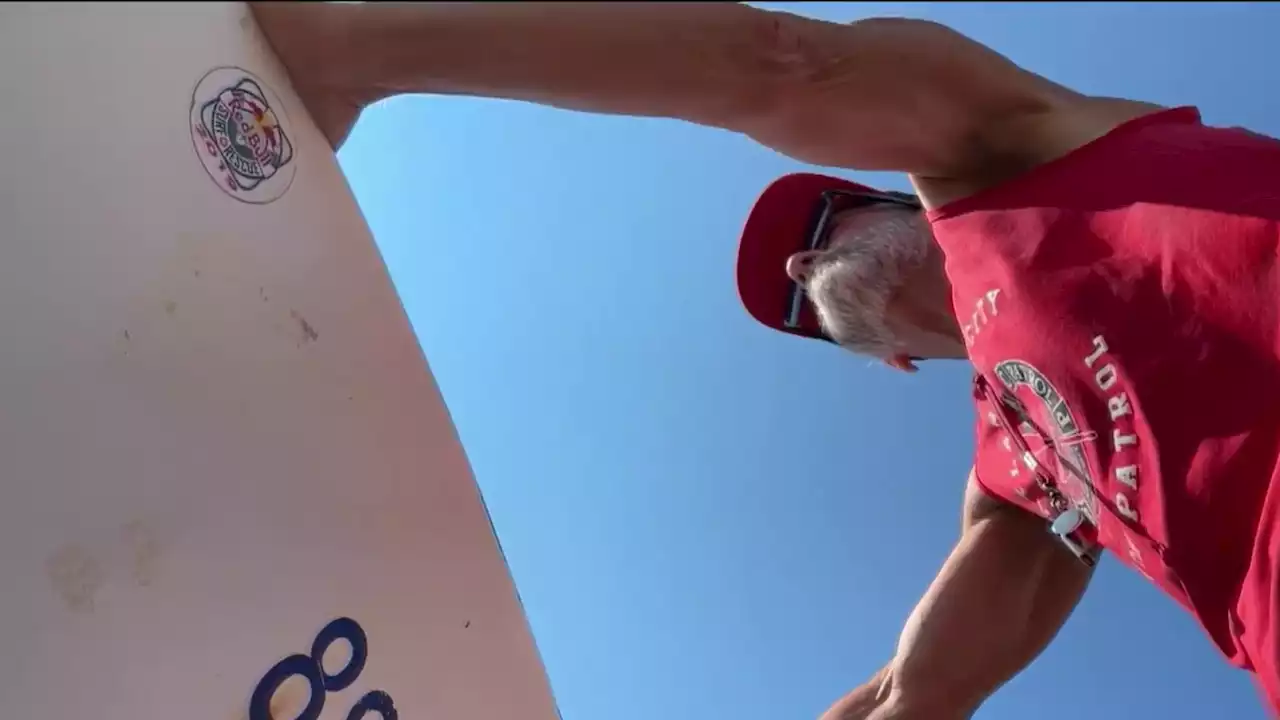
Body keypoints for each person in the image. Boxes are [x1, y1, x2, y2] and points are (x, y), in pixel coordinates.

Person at [250, 3, 1280, 717]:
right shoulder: (1022, 475)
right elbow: (910, 698)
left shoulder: (1006, 152)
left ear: (889, 191)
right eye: (802, 299)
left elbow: (774, 59)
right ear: (884, 362)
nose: (802, 260)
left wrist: (350, 52)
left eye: (826, 221)